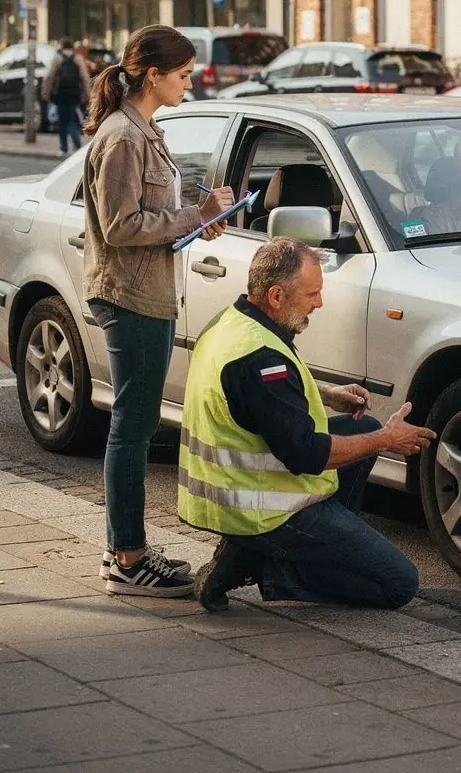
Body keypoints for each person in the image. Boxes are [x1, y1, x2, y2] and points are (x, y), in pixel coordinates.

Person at [183, 238, 435, 612]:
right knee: (398, 583)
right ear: (276, 295)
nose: (319, 303)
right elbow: (307, 453)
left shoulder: (233, 323)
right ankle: (267, 567)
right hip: (262, 510)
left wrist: (328, 394)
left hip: (239, 492)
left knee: (357, 430)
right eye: (311, 294)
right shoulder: (261, 357)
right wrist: (385, 439)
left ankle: (284, 549)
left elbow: (260, 396)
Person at [83, 25, 234, 598]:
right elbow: (121, 226)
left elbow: (152, 218)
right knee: (133, 428)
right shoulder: (122, 136)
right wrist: (193, 217)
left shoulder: (145, 129)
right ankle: (128, 560)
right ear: (153, 75)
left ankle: (123, 550)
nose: (189, 84)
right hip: (128, 294)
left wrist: (200, 216)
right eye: (184, 73)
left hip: (146, 288)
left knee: (136, 425)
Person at [42, 37, 91, 157]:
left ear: (62, 46)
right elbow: (85, 78)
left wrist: (46, 94)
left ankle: (63, 148)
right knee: (72, 120)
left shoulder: (57, 58)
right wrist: (87, 95)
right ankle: (77, 146)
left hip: (60, 94)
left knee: (62, 121)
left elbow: (49, 77)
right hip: (74, 94)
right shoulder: (78, 58)